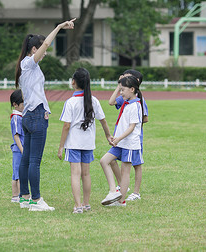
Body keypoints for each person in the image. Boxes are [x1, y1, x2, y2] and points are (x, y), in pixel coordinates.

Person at [15, 18, 76, 211]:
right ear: (34, 49)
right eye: (41, 49)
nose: (46, 51)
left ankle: (24, 198)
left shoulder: (28, 66)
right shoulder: (29, 64)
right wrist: (59, 27)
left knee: (26, 160)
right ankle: (36, 200)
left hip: (29, 115)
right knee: (34, 161)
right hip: (35, 116)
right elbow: (48, 43)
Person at [58, 68, 113, 214]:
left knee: (75, 174)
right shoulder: (93, 100)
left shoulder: (70, 102)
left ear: (73, 82)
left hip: (74, 143)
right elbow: (103, 121)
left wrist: (61, 146)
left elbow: (66, 126)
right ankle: (86, 203)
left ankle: (78, 206)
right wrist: (108, 136)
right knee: (86, 174)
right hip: (88, 143)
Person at [100, 75, 144, 206]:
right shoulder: (126, 102)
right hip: (120, 142)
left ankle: (121, 201)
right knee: (104, 161)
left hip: (129, 144)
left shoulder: (136, 105)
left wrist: (119, 138)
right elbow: (111, 101)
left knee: (125, 172)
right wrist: (119, 85)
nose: (121, 92)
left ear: (132, 89)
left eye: (123, 90)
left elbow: (132, 127)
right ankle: (113, 191)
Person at [108, 69, 148, 201]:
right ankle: (123, 186)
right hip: (121, 136)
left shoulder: (139, 101)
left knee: (136, 164)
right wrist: (118, 85)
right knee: (113, 160)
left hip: (132, 137)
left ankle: (135, 192)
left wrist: (133, 126)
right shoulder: (124, 96)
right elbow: (111, 102)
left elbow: (144, 118)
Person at [9, 89, 24, 203]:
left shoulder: (21, 116)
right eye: (23, 103)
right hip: (19, 149)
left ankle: (16, 196)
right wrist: (22, 149)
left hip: (22, 149)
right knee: (18, 173)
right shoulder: (16, 117)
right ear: (15, 104)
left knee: (17, 172)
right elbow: (16, 135)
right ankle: (19, 195)